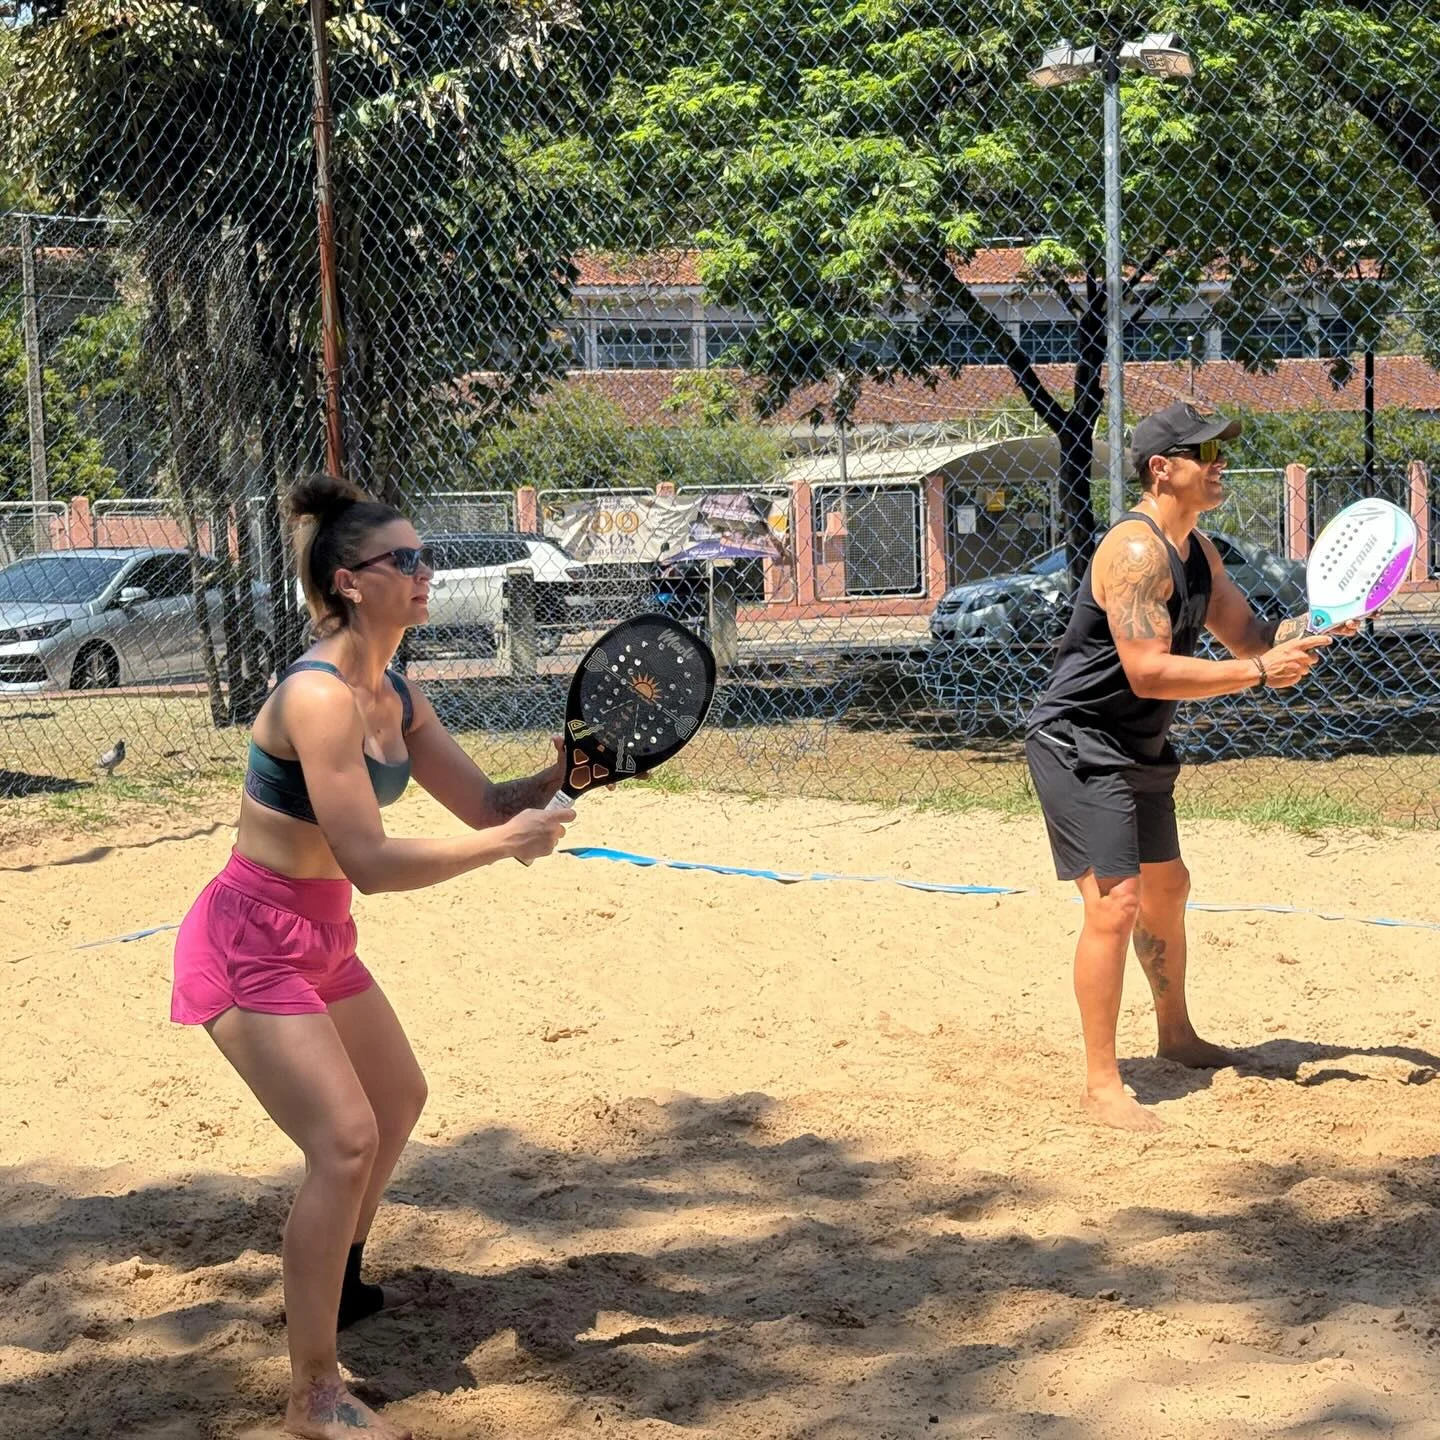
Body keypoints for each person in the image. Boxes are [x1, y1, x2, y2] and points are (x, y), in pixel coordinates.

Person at [170, 474, 575, 1440]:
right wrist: (505, 846)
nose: (425, 573)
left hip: (319, 933)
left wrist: (567, 771)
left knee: (396, 1100)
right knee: (345, 1140)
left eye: (425, 557)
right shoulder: (317, 699)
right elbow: (372, 862)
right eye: (406, 560)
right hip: (249, 937)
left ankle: (338, 1284)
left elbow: (485, 804)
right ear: (350, 581)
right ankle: (314, 1394)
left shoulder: (397, 694)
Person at [1024, 402, 1342, 1133]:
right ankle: (1102, 1087)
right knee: (1115, 903)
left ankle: (1176, 1036)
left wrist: (1323, 622)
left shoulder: (1199, 552)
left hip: (1136, 745)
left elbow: (1251, 637)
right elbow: (1148, 671)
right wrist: (1259, 673)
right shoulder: (1135, 551)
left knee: (1168, 888)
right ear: (1162, 469)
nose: (1219, 463)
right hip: (1078, 741)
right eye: (1204, 453)